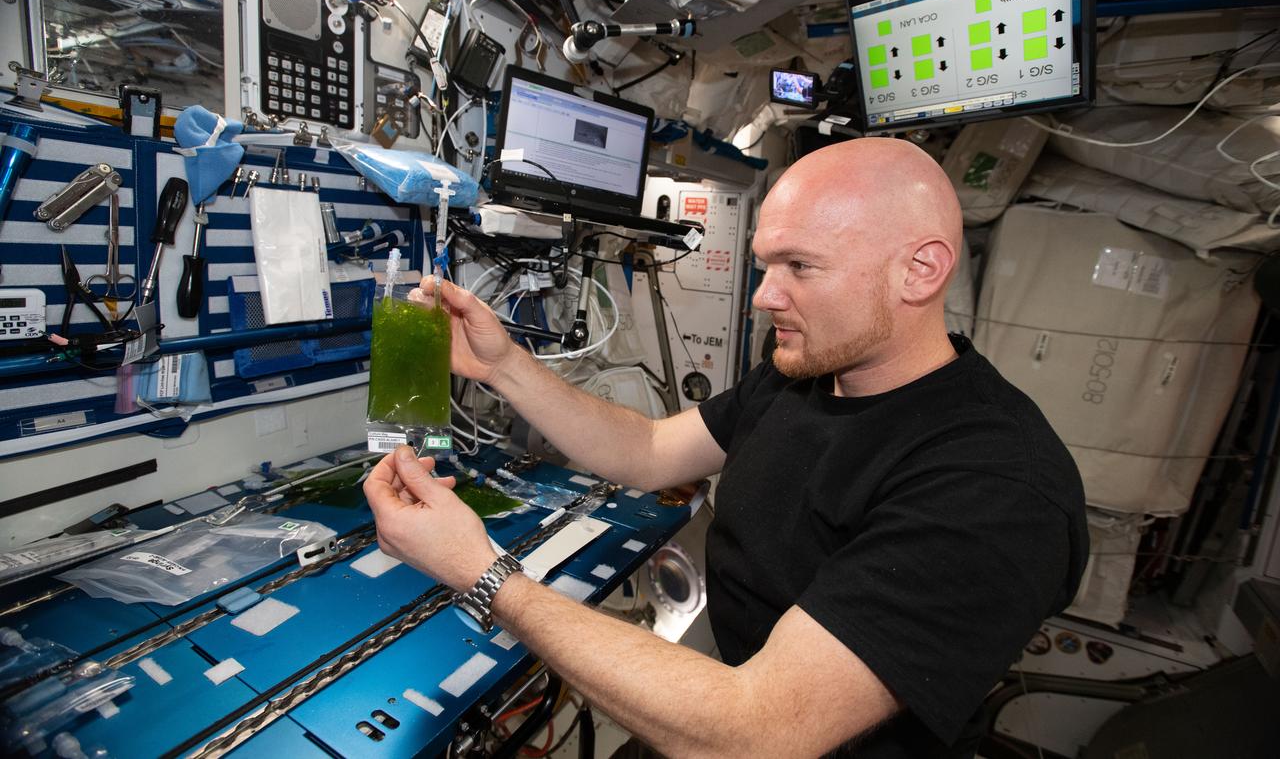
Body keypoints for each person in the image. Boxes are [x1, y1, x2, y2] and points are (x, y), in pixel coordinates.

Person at [364, 137, 1088, 758]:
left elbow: (752, 732)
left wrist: (483, 572)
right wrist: (504, 366)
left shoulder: (996, 484)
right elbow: (647, 450)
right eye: (766, 264)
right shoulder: (804, 374)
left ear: (921, 270)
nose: (763, 297)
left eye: (800, 267)